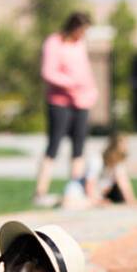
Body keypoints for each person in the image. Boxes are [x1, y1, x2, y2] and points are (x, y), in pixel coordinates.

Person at [34, 12, 97, 208]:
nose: (83, 34)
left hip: (81, 102)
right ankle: (40, 191)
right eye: (82, 30)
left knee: (79, 147)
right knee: (54, 145)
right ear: (73, 27)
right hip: (60, 102)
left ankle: (74, 189)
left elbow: (85, 71)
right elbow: (48, 72)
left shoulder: (80, 45)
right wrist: (71, 85)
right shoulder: (54, 42)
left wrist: (91, 90)